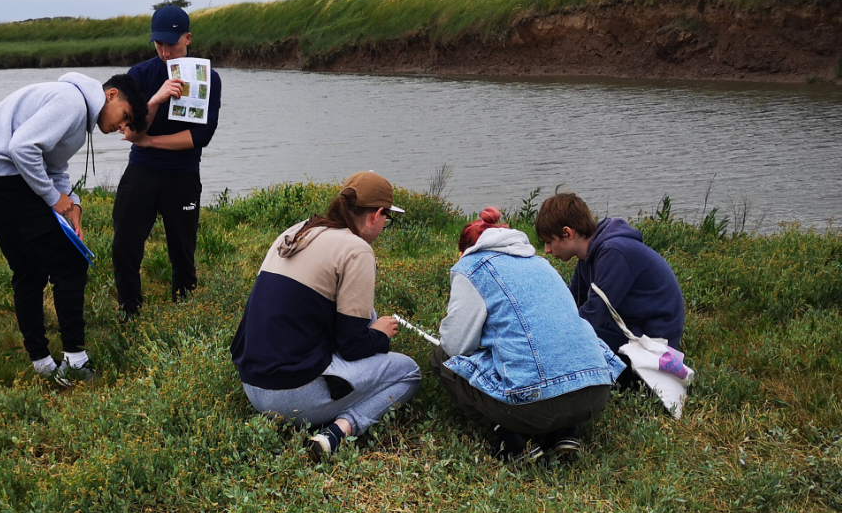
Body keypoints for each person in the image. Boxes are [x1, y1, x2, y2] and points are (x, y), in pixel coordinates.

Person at [0, 72, 148, 385]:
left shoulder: (77, 109)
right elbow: (22, 148)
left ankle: (42, 363)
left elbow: (54, 166)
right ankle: (76, 361)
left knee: (28, 269)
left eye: (128, 125)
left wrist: (72, 203)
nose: (122, 127)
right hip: (1, 179)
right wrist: (52, 198)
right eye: (125, 117)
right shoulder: (72, 102)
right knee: (70, 263)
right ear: (112, 95)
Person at [231, 171, 421, 461]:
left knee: (366, 314)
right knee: (409, 371)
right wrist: (381, 335)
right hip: (290, 397)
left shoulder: (298, 230)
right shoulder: (357, 250)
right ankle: (338, 432)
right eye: (387, 218)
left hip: (251, 385)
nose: (384, 224)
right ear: (376, 215)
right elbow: (352, 346)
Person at [430, 208, 626, 461]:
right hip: (597, 393)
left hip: (535, 407)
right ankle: (567, 431)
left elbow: (456, 344)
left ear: (465, 250)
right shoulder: (540, 263)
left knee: (442, 358)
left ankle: (508, 436)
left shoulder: (471, 266)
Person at [112, 4, 223, 319]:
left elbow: (199, 137)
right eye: (158, 45)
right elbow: (133, 132)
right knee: (124, 245)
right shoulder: (138, 75)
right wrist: (156, 99)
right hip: (142, 173)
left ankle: (184, 309)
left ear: (188, 38)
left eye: (171, 45)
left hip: (182, 175)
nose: (165, 52)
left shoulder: (208, 79)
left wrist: (151, 142)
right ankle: (129, 309)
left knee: (182, 250)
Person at [534, 192, 686, 386]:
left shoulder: (614, 252)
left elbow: (593, 314)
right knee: (573, 343)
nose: (547, 250)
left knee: (576, 350)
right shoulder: (587, 259)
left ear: (568, 233)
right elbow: (572, 303)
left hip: (654, 344)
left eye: (549, 241)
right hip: (629, 327)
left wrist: (552, 341)